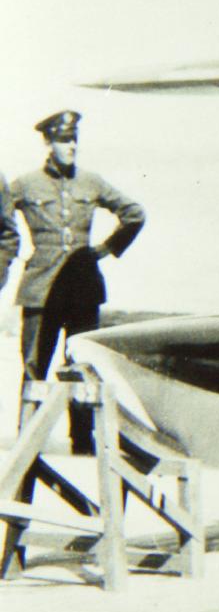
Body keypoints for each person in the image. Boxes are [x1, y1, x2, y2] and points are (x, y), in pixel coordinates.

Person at [5, 111, 145, 453]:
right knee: (35, 363)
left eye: (74, 140)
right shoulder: (24, 184)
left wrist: (104, 250)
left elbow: (134, 213)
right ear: (49, 144)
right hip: (41, 288)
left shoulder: (91, 182)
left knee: (82, 365)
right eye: (64, 140)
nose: (71, 147)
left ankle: (81, 440)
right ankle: (29, 439)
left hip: (83, 288)